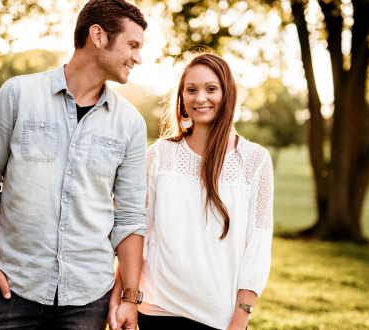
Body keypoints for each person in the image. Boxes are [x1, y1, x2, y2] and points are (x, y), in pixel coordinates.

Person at [0, 0, 148, 329]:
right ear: (98, 36)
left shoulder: (131, 123)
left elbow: (131, 216)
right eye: (132, 45)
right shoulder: (17, 94)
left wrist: (130, 297)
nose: (138, 57)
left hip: (87, 299)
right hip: (10, 290)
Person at [112, 53, 274, 329]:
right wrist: (126, 297)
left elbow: (258, 244)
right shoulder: (160, 155)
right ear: (182, 98)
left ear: (227, 94)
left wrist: (240, 317)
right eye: (191, 89)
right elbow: (138, 230)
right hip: (158, 308)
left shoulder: (255, 160)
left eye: (211, 88)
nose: (201, 98)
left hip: (219, 317)